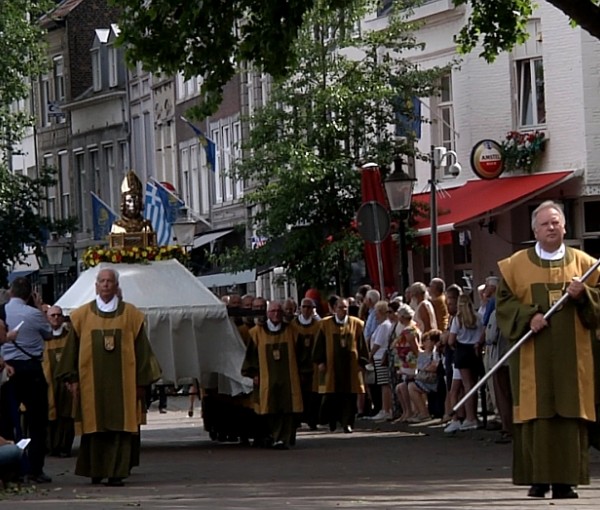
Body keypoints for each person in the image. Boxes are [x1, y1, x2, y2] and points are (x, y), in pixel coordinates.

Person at [496, 200, 600, 500]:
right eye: (545, 223)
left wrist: (585, 295)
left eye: (556, 222)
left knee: (569, 415)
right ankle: (538, 480)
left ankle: (567, 481)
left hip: (573, 357)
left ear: (565, 226)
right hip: (533, 357)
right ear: (535, 230)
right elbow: (503, 304)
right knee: (537, 416)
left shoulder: (584, 264)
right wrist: (529, 315)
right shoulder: (515, 266)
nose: (551, 227)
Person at [55, 268, 161, 486]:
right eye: (101, 281)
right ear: (96, 285)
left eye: (109, 281)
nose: (105, 285)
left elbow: (142, 351)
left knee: (120, 428)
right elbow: (71, 351)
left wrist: (142, 381)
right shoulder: (80, 316)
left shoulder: (132, 315)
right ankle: (95, 470)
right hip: (91, 385)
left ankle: (116, 473)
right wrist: (72, 378)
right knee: (94, 427)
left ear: (116, 286)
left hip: (124, 387)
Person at [0, 277, 53, 484]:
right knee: (37, 421)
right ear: (29, 294)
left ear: (11, 292)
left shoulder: (2, 311)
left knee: (6, 420)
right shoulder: (34, 314)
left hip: (6, 370)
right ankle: (35, 468)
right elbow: (48, 334)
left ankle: (9, 470)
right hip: (31, 369)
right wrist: (39, 307)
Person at [241, 300, 303, 449]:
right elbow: (251, 356)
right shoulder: (256, 333)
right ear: (267, 313)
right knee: (269, 408)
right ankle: (273, 436)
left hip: (289, 378)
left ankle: (283, 439)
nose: (276, 314)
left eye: (278, 311)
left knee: (287, 409)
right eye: (273, 311)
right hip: (266, 379)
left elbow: (301, 354)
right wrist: (254, 373)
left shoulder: (292, 331)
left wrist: (303, 373)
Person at [313, 297, 368, 434]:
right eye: (340, 307)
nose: (343, 310)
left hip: (350, 367)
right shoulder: (325, 324)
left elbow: (362, 344)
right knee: (332, 396)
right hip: (332, 367)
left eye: (345, 307)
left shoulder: (356, 324)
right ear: (334, 309)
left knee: (349, 396)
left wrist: (362, 362)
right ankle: (332, 421)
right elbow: (319, 344)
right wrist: (320, 361)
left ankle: (347, 423)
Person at [444, 294, 484, 433]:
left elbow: (450, 340)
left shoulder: (458, 319)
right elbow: (483, 332)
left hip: (462, 351)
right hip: (475, 351)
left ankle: (468, 418)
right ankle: (472, 416)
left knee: (464, 386)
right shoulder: (478, 317)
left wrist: (453, 344)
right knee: (473, 385)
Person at [42, 305, 75, 457]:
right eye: (52, 315)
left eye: (58, 315)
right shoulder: (43, 338)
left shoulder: (70, 337)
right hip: (49, 381)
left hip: (66, 381)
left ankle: (64, 446)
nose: (56, 318)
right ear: (47, 318)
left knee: (67, 414)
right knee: (50, 413)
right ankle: (51, 446)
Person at [291, 298, 321, 430]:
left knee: (313, 394)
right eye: (304, 307)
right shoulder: (293, 325)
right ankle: (297, 419)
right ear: (300, 309)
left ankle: (312, 420)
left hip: (313, 364)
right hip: (298, 364)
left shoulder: (318, 325)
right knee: (298, 393)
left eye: (309, 307)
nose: (307, 310)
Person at [366, 301, 394, 422]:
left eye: (376, 312)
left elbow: (378, 343)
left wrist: (370, 354)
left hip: (380, 357)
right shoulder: (382, 325)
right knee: (383, 384)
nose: (375, 315)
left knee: (384, 384)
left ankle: (386, 409)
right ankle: (385, 409)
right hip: (378, 357)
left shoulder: (384, 326)